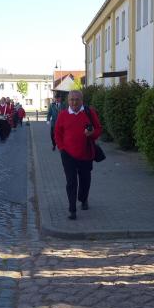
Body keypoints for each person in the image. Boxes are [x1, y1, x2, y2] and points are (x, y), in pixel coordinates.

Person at [54, 90, 102, 220]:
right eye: (71, 100)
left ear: (82, 100)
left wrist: (92, 134)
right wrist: (61, 148)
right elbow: (57, 132)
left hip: (85, 153)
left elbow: (98, 129)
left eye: (77, 99)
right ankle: (72, 209)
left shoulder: (89, 113)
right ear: (68, 101)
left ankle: (83, 198)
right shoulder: (63, 114)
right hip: (67, 154)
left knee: (85, 180)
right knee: (71, 181)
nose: (74, 102)